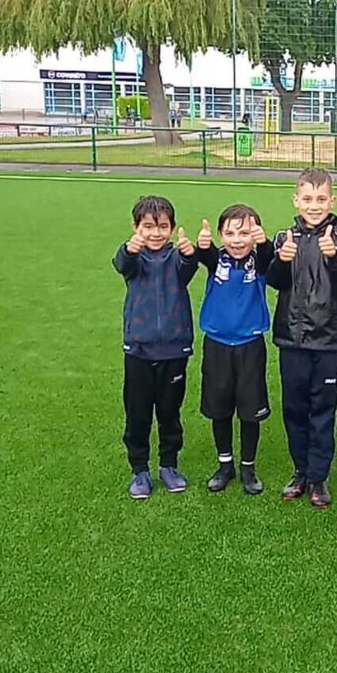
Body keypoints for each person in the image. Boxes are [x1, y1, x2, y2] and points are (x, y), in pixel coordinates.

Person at [266, 168, 337, 509]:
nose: (314, 206)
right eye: (307, 199)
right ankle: (301, 471)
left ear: (332, 201)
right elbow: (275, 281)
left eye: (321, 199)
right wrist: (281, 260)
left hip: (328, 340)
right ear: (296, 200)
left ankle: (318, 477)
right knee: (294, 408)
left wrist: (333, 258)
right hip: (291, 339)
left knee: (322, 409)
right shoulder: (284, 237)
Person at [111, 195, 199, 499]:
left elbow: (188, 269)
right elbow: (121, 263)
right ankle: (140, 470)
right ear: (136, 227)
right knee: (137, 414)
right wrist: (129, 248)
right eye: (148, 226)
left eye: (162, 226)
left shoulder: (177, 257)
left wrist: (190, 254)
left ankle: (168, 465)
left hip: (174, 350)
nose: (156, 233)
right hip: (138, 350)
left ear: (172, 228)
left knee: (169, 412)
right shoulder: (134, 257)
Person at [193, 205, 274, 496]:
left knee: (250, 411)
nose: (237, 240)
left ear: (255, 234)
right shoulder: (217, 259)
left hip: (250, 345)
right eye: (229, 233)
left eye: (245, 233)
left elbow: (268, 258)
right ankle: (225, 465)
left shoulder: (259, 261)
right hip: (217, 344)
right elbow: (204, 256)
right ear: (220, 235)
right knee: (220, 408)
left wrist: (264, 243)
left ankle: (248, 467)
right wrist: (203, 246)